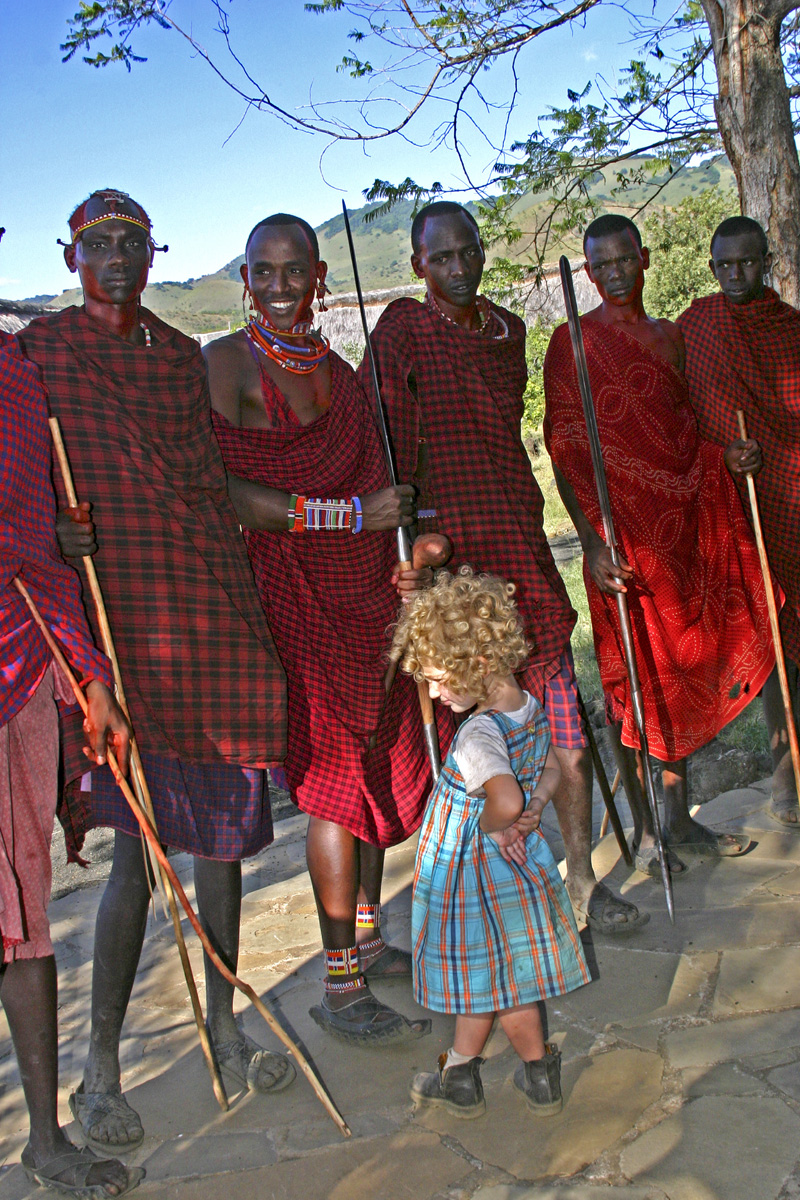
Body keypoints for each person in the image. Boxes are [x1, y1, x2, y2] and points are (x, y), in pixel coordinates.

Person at [19, 190, 293, 1154]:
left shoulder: (181, 359)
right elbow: (22, 476)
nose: (121, 258)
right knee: (136, 852)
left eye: (135, 242)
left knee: (219, 838)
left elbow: (205, 477)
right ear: (70, 256)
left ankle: (223, 1023)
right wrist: (55, 527)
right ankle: (101, 1071)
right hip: (117, 626)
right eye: (101, 244)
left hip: (202, 603)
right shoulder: (41, 354)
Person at [363, 201, 646, 937]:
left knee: (564, 729)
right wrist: (411, 546)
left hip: (516, 536)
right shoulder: (402, 329)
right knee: (462, 743)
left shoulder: (507, 332)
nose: (459, 268)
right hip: (450, 558)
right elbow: (384, 440)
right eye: (442, 257)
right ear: (419, 264)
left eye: (469, 253)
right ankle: (476, 899)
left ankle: (582, 881)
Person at [205, 213, 444, 1046]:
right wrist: (347, 514)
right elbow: (224, 491)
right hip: (292, 595)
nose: (277, 288)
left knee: (374, 764)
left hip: (365, 595)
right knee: (338, 784)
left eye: (293, 271)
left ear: (318, 279)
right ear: (244, 277)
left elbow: (384, 484)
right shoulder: (227, 364)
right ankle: (339, 987)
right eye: (261, 271)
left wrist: (404, 551)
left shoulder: (340, 377)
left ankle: (371, 942)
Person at [544, 213, 774, 873]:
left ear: (644, 259)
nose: (614, 272)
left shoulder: (669, 338)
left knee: (678, 678)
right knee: (635, 684)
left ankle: (678, 823)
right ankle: (645, 834)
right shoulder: (572, 343)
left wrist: (726, 455)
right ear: (587, 272)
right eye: (600, 264)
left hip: (678, 534)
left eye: (624, 259)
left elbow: (683, 433)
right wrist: (589, 542)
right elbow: (565, 451)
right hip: (620, 541)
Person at [0, 314, 140, 1196]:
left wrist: (91, 677)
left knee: (22, 908)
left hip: (18, 666)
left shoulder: (17, 373)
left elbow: (43, 546)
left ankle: (47, 1142)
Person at [390, 568, 590, 1118]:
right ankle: (536, 1075)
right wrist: (533, 813)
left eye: (436, 679)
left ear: (476, 665)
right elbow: (549, 768)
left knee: (478, 975)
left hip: (471, 871)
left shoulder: (479, 733)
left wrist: (502, 821)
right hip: (514, 869)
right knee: (509, 975)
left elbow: (499, 797)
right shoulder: (527, 707)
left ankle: (458, 1074)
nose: (432, 692)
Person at [678, 216, 800, 827]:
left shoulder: (788, 329)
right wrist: (724, 454)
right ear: (711, 265)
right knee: (770, 634)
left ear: (767, 261)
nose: (735, 275)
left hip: (792, 499)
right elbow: (683, 418)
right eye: (724, 265)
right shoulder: (697, 327)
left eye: (747, 263)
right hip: (734, 507)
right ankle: (786, 766)